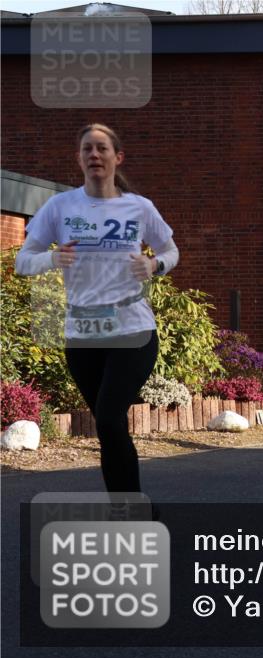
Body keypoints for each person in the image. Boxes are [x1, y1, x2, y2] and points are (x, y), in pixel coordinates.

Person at [15, 123, 178, 495]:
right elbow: (23, 261)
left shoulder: (139, 207)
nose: (94, 155)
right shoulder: (60, 207)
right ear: (79, 158)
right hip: (83, 332)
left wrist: (155, 265)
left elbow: (171, 251)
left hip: (132, 328)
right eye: (87, 149)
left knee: (106, 419)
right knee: (110, 427)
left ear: (117, 157)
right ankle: (131, 506)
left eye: (102, 148)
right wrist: (53, 259)